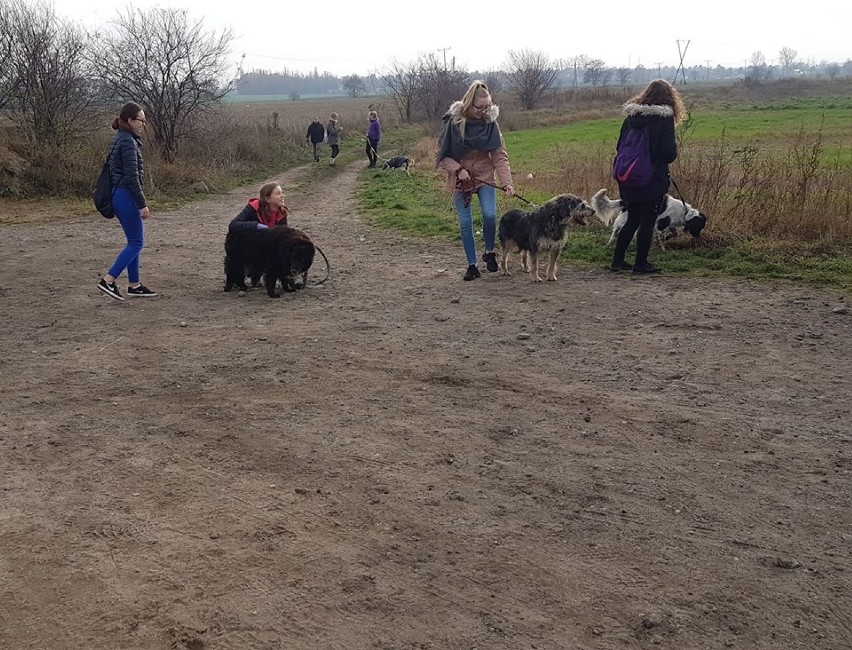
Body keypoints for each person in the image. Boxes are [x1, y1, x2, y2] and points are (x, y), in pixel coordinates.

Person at [437, 80, 514, 281]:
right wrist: (458, 169)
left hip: (485, 178)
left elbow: (500, 155)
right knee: (465, 222)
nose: (484, 111)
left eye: (488, 107)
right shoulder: (453, 124)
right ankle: (472, 265)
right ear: (469, 104)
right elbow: (442, 155)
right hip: (461, 180)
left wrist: (507, 182)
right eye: (480, 107)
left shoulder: (491, 124)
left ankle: (489, 252)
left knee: (490, 215)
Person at [610, 79, 685, 275]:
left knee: (632, 219)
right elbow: (669, 154)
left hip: (628, 178)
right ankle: (640, 263)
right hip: (652, 179)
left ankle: (617, 261)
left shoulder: (630, 118)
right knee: (647, 222)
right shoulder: (664, 119)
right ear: (670, 98)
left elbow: (620, 147)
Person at [97, 102, 156, 300]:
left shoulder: (121, 139)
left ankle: (134, 284)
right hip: (125, 195)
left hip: (117, 194)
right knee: (137, 242)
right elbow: (132, 177)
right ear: (130, 120)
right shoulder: (127, 142)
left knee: (133, 241)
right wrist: (142, 204)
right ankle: (109, 280)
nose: (143, 123)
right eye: (141, 120)